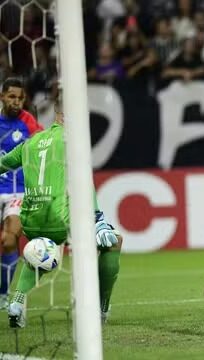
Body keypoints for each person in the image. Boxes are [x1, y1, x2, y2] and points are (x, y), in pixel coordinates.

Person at [5, 96, 122, 328]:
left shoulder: (31, 141)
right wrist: (98, 219)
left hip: (31, 219)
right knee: (113, 243)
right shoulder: (71, 140)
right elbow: (83, 182)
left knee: (41, 252)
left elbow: (3, 164)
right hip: (61, 219)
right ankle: (101, 308)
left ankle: (16, 303)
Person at [0, 78, 42, 310]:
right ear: (2, 97)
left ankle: (3, 294)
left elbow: (42, 144)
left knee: (9, 239)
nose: (16, 102)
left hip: (16, 191)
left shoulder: (27, 121)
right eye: (11, 97)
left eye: (20, 98)